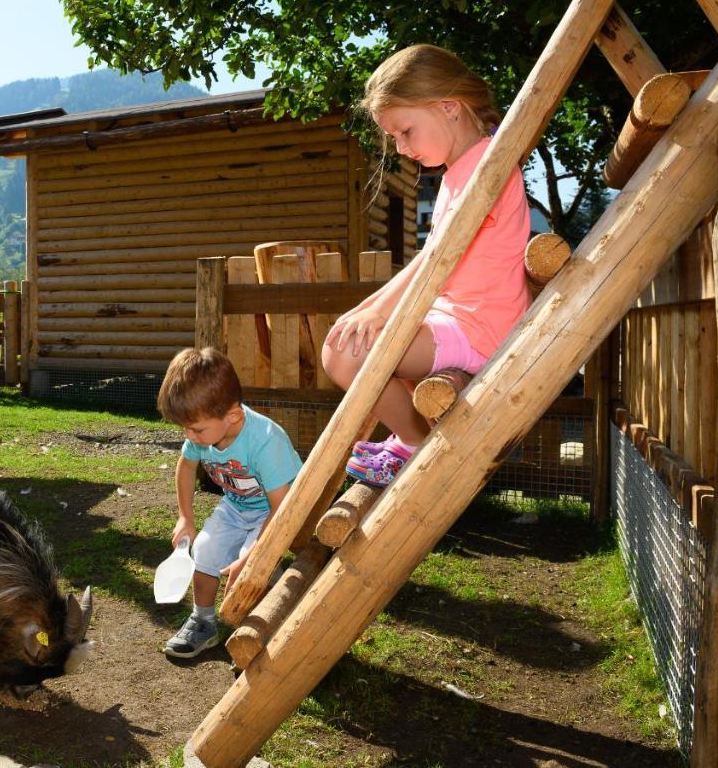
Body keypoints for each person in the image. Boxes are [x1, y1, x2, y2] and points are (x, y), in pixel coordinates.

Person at [322, 43, 531, 487]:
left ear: (449, 107)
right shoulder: (462, 170)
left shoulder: (487, 168)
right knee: (346, 340)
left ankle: (413, 443)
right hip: (456, 318)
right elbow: (432, 258)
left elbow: (438, 259)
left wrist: (379, 312)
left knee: (345, 354)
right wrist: (368, 308)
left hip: (481, 328)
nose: (400, 147)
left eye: (405, 131)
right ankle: (407, 438)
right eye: (395, 137)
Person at [156, 347, 302, 658]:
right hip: (238, 506)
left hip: (277, 510)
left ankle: (264, 630)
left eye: (195, 429)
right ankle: (203, 621)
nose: (189, 436)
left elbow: (282, 508)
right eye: (185, 428)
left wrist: (252, 554)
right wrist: (186, 517)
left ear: (232, 415)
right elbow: (185, 467)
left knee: (252, 568)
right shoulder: (202, 431)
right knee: (205, 549)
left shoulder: (265, 441)